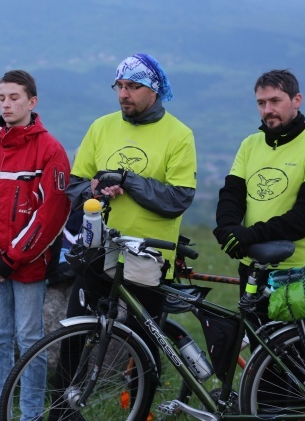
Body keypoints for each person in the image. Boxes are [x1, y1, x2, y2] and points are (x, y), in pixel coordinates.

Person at [58, 53, 197, 419]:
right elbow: (74, 187)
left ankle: (140, 412)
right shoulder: (101, 127)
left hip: (148, 259)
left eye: (133, 86)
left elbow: (178, 199)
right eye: (119, 86)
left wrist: (127, 180)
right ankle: (61, 414)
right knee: (73, 340)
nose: (124, 94)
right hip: (98, 251)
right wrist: (94, 191)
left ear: (154, 90)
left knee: (145, 351)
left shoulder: (179, 135)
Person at [0, 70, 71, 421]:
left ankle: (31, 415)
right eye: (1, 98)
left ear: (32, 102)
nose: (7, 104)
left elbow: (51, 213)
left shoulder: (50, 150)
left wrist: (14, 257)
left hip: (28, 266)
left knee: (30, 341)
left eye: (14, 98)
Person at [214, 69, 305, 324]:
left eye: (275, 101)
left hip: (299, 271)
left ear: (296, 100)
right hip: (253, 267)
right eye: (261, 103)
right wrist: (227, 228)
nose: (267, 109)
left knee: (297, 361)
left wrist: (249, 234)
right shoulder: (250, 144)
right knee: (261, 353)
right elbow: (232, 194)